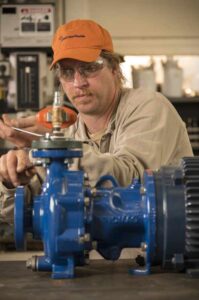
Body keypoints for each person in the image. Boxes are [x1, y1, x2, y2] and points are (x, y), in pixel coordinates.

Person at [0, 19, 193, 225]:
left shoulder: (150, 107)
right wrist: (10, 179)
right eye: (67, 72)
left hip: (163, 254)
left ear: (115, 69)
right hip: (92, 256)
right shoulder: (69, 135)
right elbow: (19, 213)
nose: (78, 83)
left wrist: (56, 153)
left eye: (89, 68)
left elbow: (131, 180)